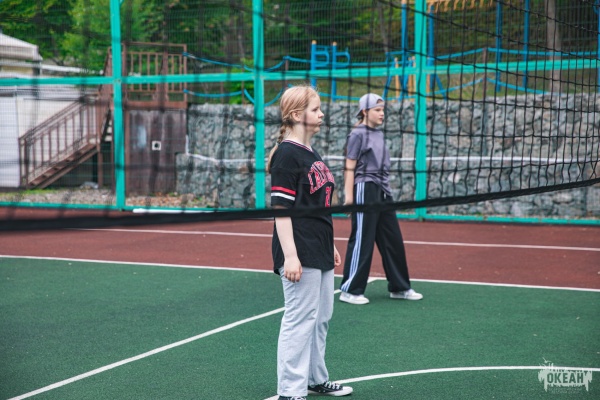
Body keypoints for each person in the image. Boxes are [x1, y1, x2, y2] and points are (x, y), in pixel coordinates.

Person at [268, 85, 353, 400]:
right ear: (295, 115)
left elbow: (317, 205)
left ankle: (316, 378)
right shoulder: (286, 155)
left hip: (319, 246)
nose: (322, 114)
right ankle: (290, 390)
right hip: (299, 250)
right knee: (300, 318)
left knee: (320, 319)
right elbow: (281, 210)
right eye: (315, 109)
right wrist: (291, 256)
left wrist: (329, 243)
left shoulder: (310, 152)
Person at [339, 93, 423, 305]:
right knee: (363, 238)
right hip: (365, 189)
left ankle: (400, 287)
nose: (382, 113)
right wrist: (349, 197)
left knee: (392, 239)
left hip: (383, 191)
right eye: (377, 110)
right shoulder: (357, 134)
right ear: (365, 112)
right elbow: (349, 166)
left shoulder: (378, 134)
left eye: (383, 110)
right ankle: (350, 290)